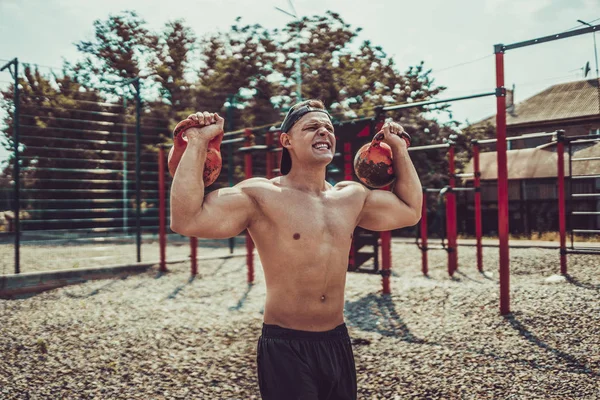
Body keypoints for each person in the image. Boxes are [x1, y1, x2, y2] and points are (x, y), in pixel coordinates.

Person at [170, 99, 422, 400]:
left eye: (328, 128)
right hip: (286, 347)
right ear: (286, 140)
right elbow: (186, 218)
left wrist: (400, 149)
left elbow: (410, 210)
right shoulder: (261, 194)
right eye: (312, 127)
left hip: (337, 342)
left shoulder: (351, 196)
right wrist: (198, 142)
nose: (323, 133)